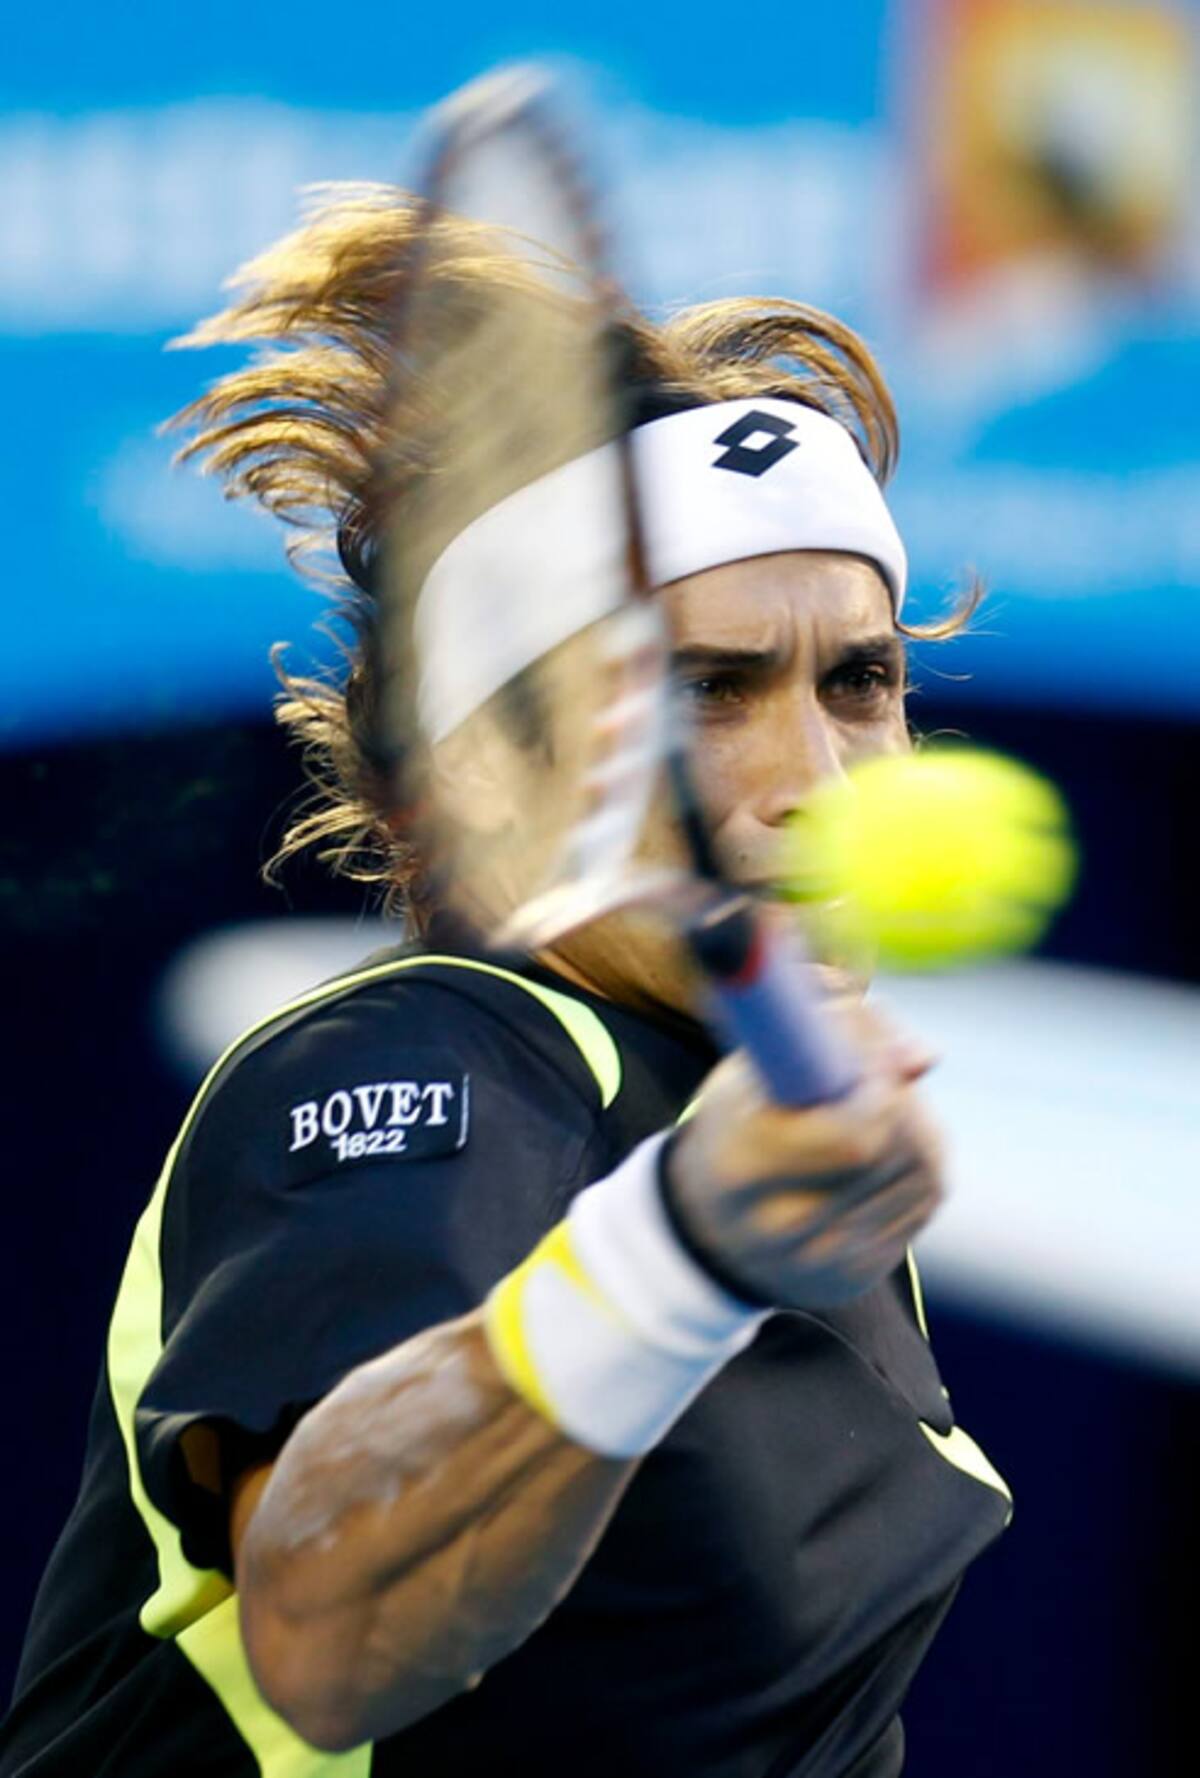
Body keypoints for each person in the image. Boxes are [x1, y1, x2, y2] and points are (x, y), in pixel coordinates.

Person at [0, 186, 1010, 1778]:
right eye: (709, 689)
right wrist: (673, 1256)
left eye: (859, 679)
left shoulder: (762, 1146)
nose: (819, 779)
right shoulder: (426, 1059)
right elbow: (328, 1634)